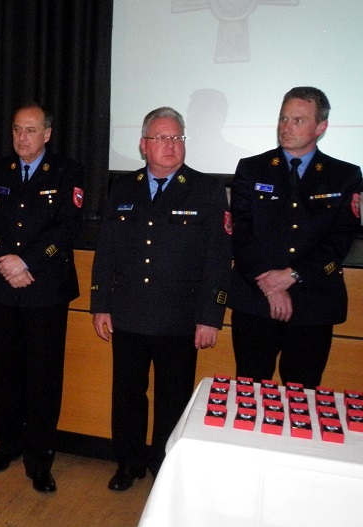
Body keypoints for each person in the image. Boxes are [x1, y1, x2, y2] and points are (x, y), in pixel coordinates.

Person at [90, 107, 231, 491]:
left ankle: (164, 465)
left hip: (179, 317)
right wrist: (101, 303)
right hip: (129, 313)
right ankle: (128, 462)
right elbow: (106, 251)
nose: (170, 145)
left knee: (173, 398)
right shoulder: (123, 188)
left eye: (177, 138)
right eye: (161, 138)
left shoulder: (207, 190)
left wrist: (210, 315)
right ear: (143, 145)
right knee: (127, 395)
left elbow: (219, 259)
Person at [0, 103, 84, 493]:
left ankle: (40, 457)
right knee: (5, 372)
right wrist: (5, 261)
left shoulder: (68, 172)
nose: (22, 137)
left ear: (47, 134)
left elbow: (67, 227)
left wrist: (27, 261)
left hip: (46, 288)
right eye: (17, 129)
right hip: (3, 285)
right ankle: (9, 442)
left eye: (31, 130)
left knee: (43, 376)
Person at [228, 86, 362, 389]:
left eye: (298, 120)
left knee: (302, 396)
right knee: (249, 392)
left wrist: (292, 275)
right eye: (283, 118)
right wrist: (271, 286)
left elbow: (340, 240)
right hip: (256, 302)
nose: (286, 127)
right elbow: (241, 233)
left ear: (321, 127)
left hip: (313, 303)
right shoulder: (252, 168)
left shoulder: (344, 175)